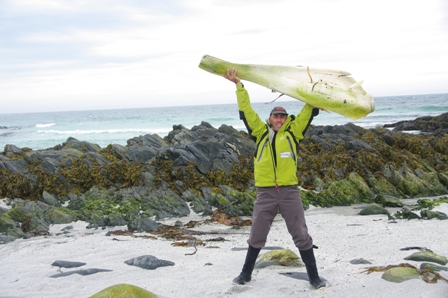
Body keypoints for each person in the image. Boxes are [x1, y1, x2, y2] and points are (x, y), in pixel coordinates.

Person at [223, 68, 325, 289]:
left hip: (289, 192)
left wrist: (314, 97)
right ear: (270, 118)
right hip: (265, 192)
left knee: (300, 233)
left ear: (286, 119)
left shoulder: (294, 133)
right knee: (257, 234)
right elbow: (247, 111)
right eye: (276, 116)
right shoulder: (260, 133)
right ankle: (245, 274)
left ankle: (314, 277)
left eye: (282, 116)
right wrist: (239, 86)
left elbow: (307, 111)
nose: (279, 119)